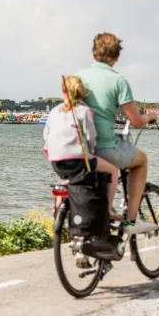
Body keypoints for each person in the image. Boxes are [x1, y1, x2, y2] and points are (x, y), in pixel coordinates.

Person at [76, 33, 158, 235]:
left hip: (81, 148)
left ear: (93, 52)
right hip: (106, 146)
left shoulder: (78, 78)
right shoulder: (118, 81)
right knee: (141, 161)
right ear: (116, 57)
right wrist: (149, 117)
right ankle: (131, 220)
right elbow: (136, 121)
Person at [43, 75, 120, 269]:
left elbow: (46, 136)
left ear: (63, 92)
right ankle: (109, 209)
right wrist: (94, 150)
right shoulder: (84, 111)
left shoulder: (53, 112)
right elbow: (90, 138)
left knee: (68, 181)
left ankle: (59, 207)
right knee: (112, 170)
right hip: (79, 161)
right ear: (82, 93)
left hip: (56, 161)